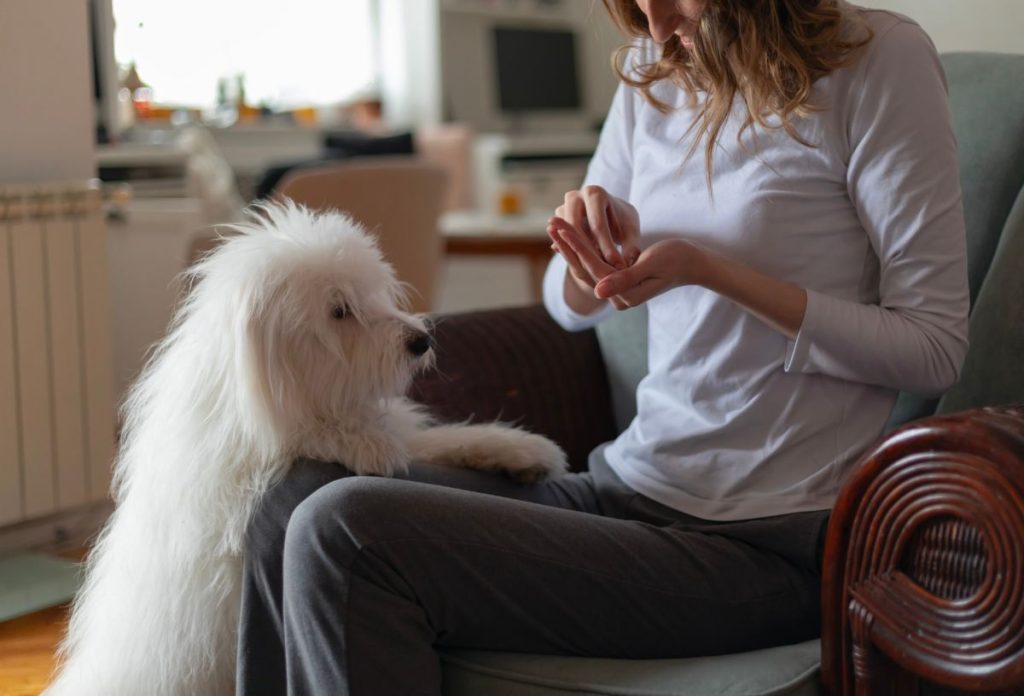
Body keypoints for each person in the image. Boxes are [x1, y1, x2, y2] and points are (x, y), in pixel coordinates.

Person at [236, 1, 969, 693]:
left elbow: (933, 348)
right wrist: (596, 243)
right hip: (625, 492)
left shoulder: (880, 62)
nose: (655, 24)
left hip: (766, 547)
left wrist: (714, 273)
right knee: (290, 496)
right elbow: (567, 300)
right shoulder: (656, 74)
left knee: (347, 532)